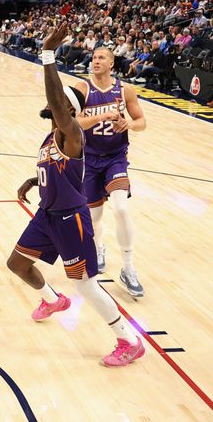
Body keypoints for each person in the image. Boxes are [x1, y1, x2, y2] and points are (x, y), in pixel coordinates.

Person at [7, 23, 145, 367]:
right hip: (47, 215)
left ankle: (128, 340)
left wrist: (48, 54)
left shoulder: (71, 133)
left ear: (67, 111)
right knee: (18, 264)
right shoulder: (52, 135)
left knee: (85, 286)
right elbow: (56, 171)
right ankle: (52, 300)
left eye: (55, 107)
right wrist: (32, 181)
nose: (49, 109)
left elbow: (57, 100)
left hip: (71, 220)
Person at [75, 48, 147, 297]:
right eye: (93, 58)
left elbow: (141, 122)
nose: (95, 61)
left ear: (112, 63)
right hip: (90, 159)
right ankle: (98, 249)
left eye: (100, 58)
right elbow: (73, 122)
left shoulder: (124, 89)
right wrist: (102, 116)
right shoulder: (82, 88)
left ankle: (128, 268)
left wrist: (128, 123)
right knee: (94, 218)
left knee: (121, 208)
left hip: (116, 159)